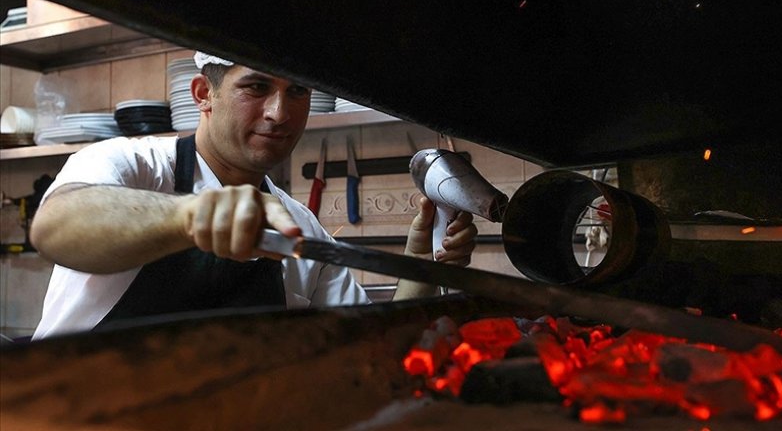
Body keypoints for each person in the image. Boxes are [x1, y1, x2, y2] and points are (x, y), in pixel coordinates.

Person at [28, 52, 478, 339]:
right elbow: (55, 226)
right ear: (204, 94)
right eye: (256, 87)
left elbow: (372, 345)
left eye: (297, 91)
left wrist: (421, 259)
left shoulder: (300, 225)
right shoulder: (131, 164)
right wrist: (190, 215)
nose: (280, 113)